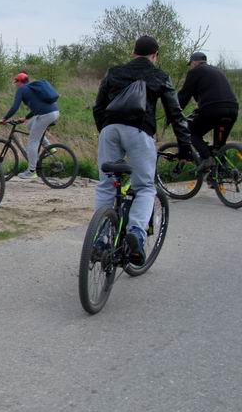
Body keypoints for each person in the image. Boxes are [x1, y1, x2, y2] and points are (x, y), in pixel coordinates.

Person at [93, 35, 191, 265]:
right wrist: (185, 149)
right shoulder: (159, 75)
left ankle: (100, 239)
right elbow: (176, 115)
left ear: (133, 52)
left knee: (106, 184)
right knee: (145, 187)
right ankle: (136, 233)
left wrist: (105, 132)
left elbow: (98, 107)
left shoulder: (114, 71)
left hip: (110, 130)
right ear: (155, 55)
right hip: (139, 132)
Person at [177, 52, 239, 169]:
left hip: (213, 110)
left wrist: (173, 113)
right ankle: (223, 172)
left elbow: (184, 95)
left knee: (191, 131)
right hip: (232, 109)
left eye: (190, 64)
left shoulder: (194, 72)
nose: (190, 66)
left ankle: (206, 158)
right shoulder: (218, 71)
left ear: (194, 62)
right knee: (219, 147)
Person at [0, 72, 61, 179]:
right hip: (54, 112)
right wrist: (26, 118)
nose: (15, 84)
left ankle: (32, 171)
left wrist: (5, 118)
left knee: (33, 141)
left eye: (16, 82)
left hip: (45, 115)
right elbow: (38, 107)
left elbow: (15, 107)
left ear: (19, 82)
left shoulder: (22, 89)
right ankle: (49, 148)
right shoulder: (33, 88)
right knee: (30, 124)